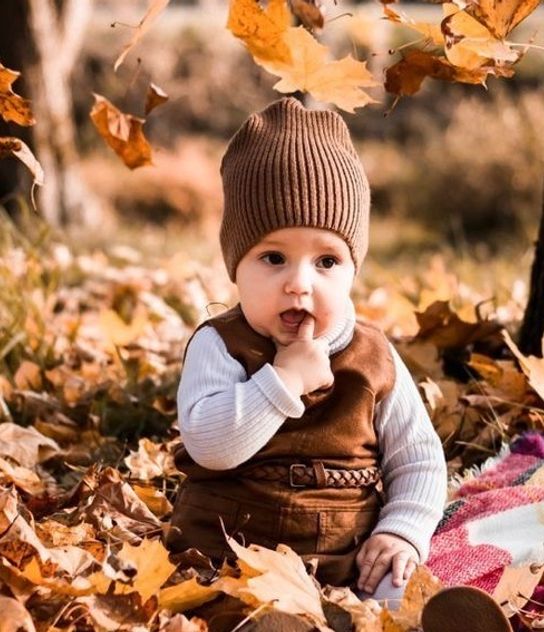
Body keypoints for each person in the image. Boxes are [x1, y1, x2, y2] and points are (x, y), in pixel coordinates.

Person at [167, 97, 448, 602]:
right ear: (236, 267)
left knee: (397, 585)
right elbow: (210, 445)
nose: (299, 283)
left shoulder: (373, 356)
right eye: (273, 258)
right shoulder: (220, 344)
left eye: (326, 262)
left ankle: (415, 616)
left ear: (353, 269)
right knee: (222, 606)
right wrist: (282, 382)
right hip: (228, 558)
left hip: (347, 558)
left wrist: (401, 531)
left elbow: (418, 458)